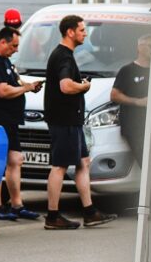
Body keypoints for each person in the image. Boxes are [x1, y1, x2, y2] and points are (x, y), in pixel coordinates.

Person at [43, 14, 117, 229]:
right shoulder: (63, 57)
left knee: (83, 162)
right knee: (59, 166)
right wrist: (84, 86)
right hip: (64, 120)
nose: (85, 34)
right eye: (82, 30)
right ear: (70, 32)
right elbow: (65, 86)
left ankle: (90, 212)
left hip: (71, 120)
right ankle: (52, 216)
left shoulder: (64, 55)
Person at [0, 27, 43, 220]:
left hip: (10, 119)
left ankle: (17, 205)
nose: (16, 49)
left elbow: (14, 83)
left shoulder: (5, 61)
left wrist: (29, 86)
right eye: (13, 45)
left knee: (16, 160)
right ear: (2, 42)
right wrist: (26, 88)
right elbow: (2, 91)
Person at [111, 34, 151, 166]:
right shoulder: (128, 70)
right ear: (139, 48)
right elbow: (114, 95)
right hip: (134, 126)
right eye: (150, 46)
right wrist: (137, 102)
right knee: (146, 161)